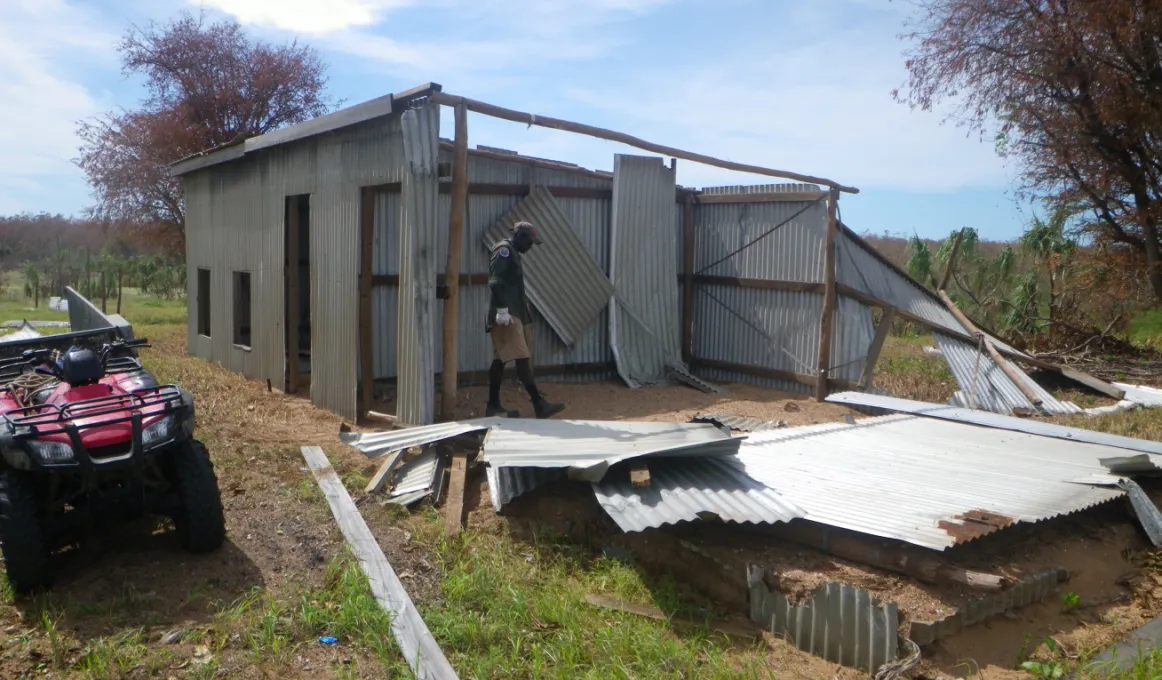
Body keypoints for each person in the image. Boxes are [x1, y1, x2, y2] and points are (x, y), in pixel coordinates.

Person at [485, 221, 565, 419]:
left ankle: (493, 406)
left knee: (500, 359)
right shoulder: (504, 251)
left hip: (513, 313)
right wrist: (503, 310)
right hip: (507, 316)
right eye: (529, 242)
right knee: (522, 358)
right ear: (519, 236)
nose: (530, 247)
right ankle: (539, 405)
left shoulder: (513, 252)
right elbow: (495, 282)